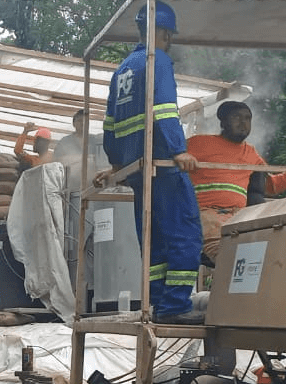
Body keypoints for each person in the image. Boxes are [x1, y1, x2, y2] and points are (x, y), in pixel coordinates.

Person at [99, 0, 206, 325]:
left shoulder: (122, 70)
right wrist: (178, 151)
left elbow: (109, 126)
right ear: (159, 32)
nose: (169, 41)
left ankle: (159, 304)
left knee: (155, 242)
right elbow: (163, 109)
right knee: (186, 235)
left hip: (138, 172)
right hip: (163, 165)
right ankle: (175, 306)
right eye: (168, 35)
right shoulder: (156, 60)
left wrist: (117, 165)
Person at [187, 100, 286, 261]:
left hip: (239, 217)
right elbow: (171, 161)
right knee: (225, 256)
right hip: (207, 213)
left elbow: (272, 186)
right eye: (237, 117)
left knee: (264, 254)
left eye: (247, 118)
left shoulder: (251, 153)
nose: (243, 123)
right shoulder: (198, 143)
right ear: (223, 121)